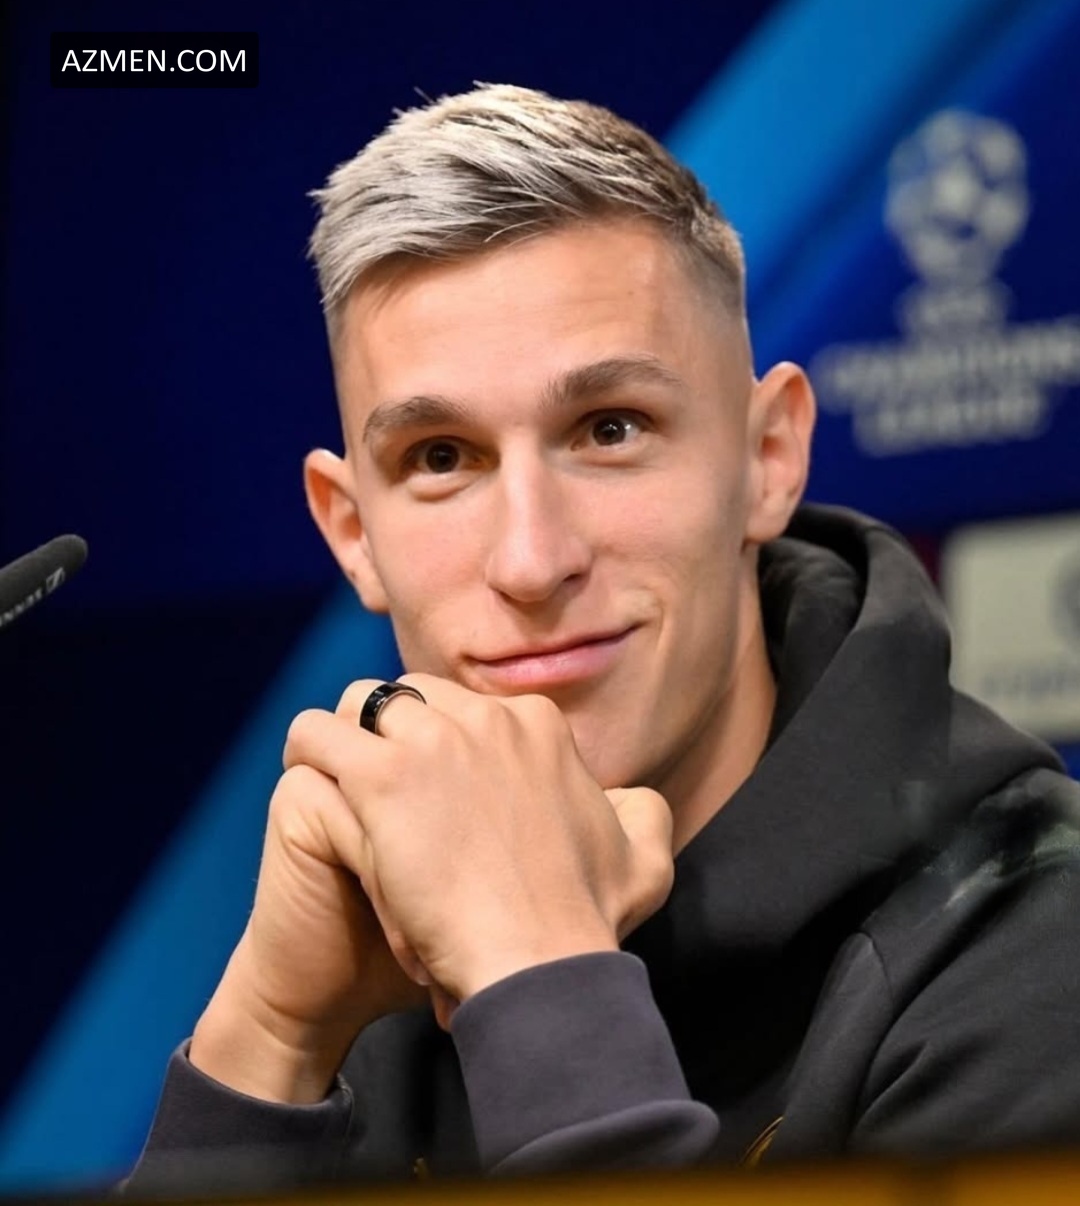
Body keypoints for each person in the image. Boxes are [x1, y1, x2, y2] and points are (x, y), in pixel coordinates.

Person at [127, 85, 1080, 1190]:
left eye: (609, 430)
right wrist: (272, 1037)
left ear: (767, 459)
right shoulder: (370, 939)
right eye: (441, 458)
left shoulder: (1036, 949)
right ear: (354, 534)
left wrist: (535, 981)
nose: (532, 561)